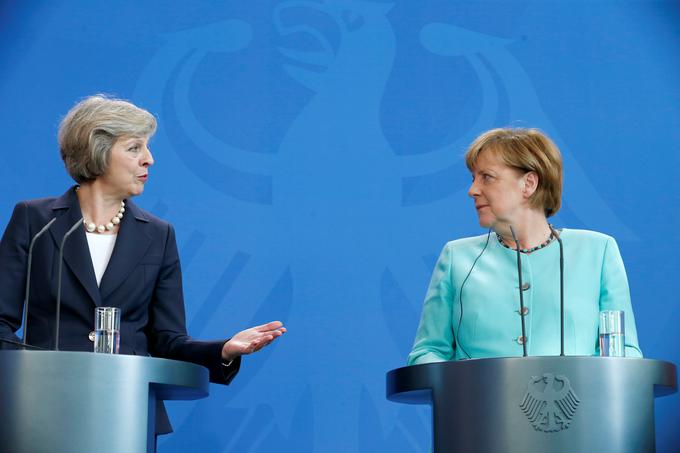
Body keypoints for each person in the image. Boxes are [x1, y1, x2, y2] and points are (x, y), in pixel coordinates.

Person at [0, 95, 286, 435]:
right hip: (42, 407)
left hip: (126, 412)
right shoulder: (36, 221)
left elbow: (168, 340)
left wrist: (223, 350)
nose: (149, 160)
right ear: (98, 149)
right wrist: (33, 373)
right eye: (135, 148)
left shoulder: (159, 235)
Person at [408, 127, 642, 364]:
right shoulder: (456, 258)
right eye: (473, 178)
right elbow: (426, 353)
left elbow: (626, 354)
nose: (472, 190)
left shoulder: (597, 252)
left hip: (578, 401)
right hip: (478, 400)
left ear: (529, 183)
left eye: (486, 177)